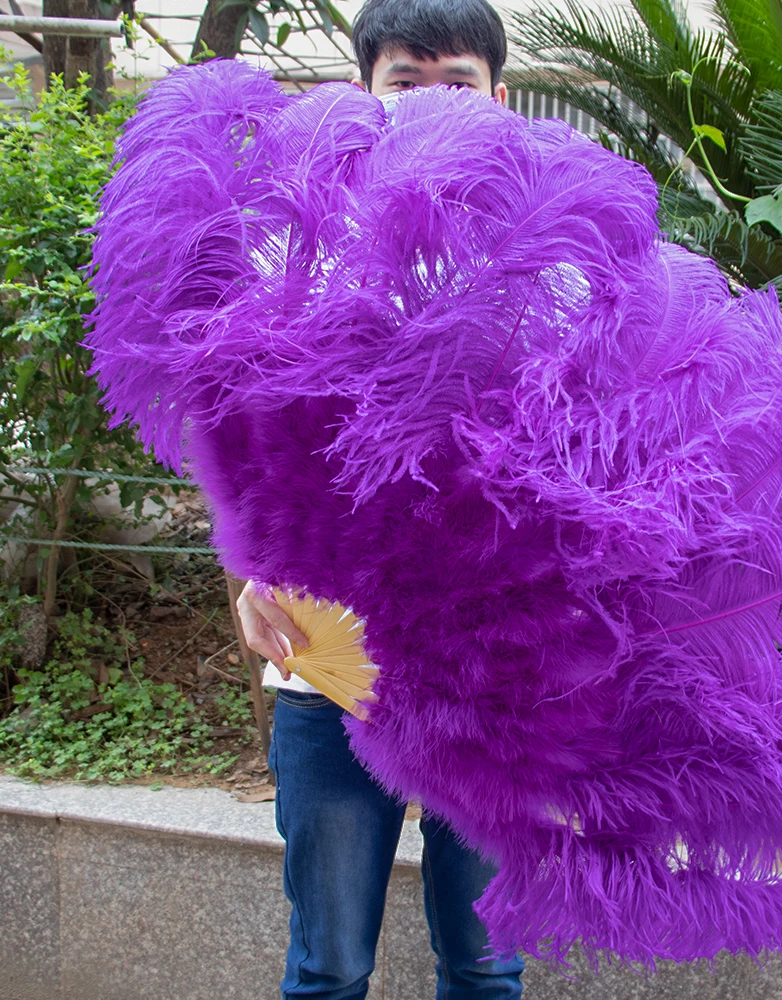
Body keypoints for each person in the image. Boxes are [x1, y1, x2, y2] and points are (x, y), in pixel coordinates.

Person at [236, 2, 523, 998]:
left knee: (485, 966)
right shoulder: (301, 254)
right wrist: (244, 572)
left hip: (495, 689)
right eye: (407, 81)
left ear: (500, 97)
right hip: (330, 673)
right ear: (368, 93)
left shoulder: (549, 264)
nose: (433, 103)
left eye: (459, 83)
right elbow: (249, 441)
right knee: (329, 966)